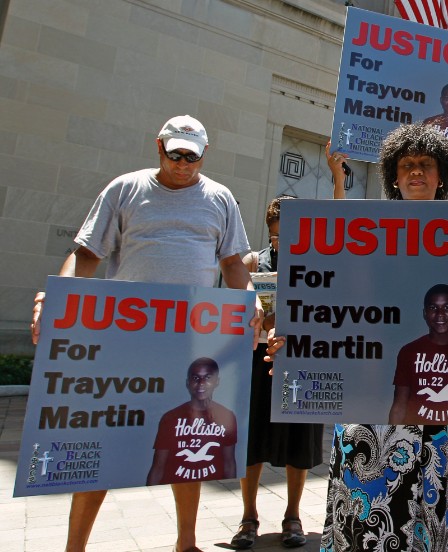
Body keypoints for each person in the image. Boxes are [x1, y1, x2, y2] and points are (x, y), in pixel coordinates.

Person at [266, 122, 448, 552]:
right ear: (393, 175)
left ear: (441, 175)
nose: (416, 172)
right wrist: (292, 339)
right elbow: (329, 296)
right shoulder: (363, 226)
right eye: (407, 165)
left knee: (432, 514)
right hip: (368, 400)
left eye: (426, 165)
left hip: (438, 411)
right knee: (364, 518)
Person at [30, 114, 261, 552]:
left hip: (190, 337)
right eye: (175, 154)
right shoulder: (125, 189)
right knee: (98, 441)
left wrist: (250, 307)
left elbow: (233, 264)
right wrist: (56, 299)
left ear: (203, 155)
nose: (182, 164)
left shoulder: (219, 198)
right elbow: (86, 253)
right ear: (159, 147)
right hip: (126, 336)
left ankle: (186, 543)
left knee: (189, 441)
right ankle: (74, 546)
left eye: (191, 157)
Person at [230, 192, 341, 550]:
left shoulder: (319, 263)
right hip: (257, 358)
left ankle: (292, 516)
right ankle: (249, 518)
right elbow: (231, 310)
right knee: (250, 438)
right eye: (278, 236)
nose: (285, 242)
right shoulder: (251, 262)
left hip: (303, 357)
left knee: (301, 439)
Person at [389, 283, 448, 424]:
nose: (440, 314)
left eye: (447, 307)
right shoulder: (408, 352)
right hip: (415, 431)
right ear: (424, 313)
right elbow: (399, 405)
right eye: (433, 308)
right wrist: (392, 437)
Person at [148, 357, 238, 485]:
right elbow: (158, 467)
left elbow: (229, 462)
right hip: (174, 482)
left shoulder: (226, 416)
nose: (201, 383)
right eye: (196, 378)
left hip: (213, 485)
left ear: (217, 382)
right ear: (187, 382)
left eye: (207, 377)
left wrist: (230, 491)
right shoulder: (170, 418)